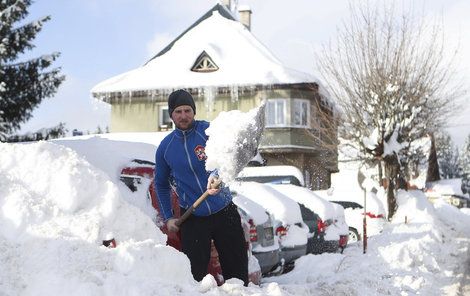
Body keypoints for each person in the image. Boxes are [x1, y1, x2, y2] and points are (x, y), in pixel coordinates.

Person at [154, 89, 248, 285]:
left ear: (194, 111)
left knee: (237, 271)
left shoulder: (209, 132)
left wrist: (216, 175)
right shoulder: (166, 147)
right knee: (195, 277)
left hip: (224, 211)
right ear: (171, 114)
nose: (183, 115)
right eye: (178, 111)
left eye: (187, 110)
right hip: (193, 217)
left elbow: (225, 158)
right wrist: (169, 217)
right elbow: (161, 185)